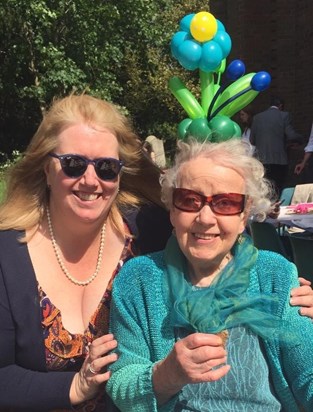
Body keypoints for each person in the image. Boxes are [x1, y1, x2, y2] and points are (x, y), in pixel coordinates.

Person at [107, 138, 313, 412]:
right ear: (172, 210)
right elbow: (120, 384)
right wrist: (166, 375)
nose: (205, 218)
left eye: (225, 203)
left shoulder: (274, 274)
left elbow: (307, 377)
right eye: (189, 200)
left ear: (244, 215)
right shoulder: (139, 280)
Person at [0, 93, 173, 411]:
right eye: (74, 164)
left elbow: (217, 236)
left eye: (107, 168)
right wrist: (75, 386)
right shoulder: (7, 255)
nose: (91, 180)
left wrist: (287, 290)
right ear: (47, 169)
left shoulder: (150, 231)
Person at [250, 95, 303, 197]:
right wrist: (301, 139)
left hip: (261, 161)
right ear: (281, 106)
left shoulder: (257, 117)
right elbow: (291, 135)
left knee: (264, 189)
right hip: (279, 160)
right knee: (278, 189)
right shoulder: (284, 115)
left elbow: (252, 141)